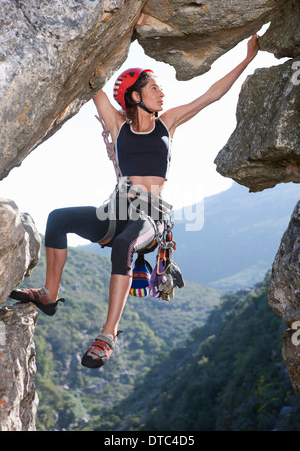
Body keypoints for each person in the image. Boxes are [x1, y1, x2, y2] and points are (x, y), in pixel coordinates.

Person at [10, 34, 260, 369]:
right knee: (57, 218)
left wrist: (246, 60)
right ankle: (49, 296)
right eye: (155, 88)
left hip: (149, 218)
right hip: (115, 211)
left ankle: (108, 335)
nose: (162, 93)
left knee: (125, 243)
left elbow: (211, 95)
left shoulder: (167, 123)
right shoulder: (117, 125)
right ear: (135, 96)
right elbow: (90, 81)